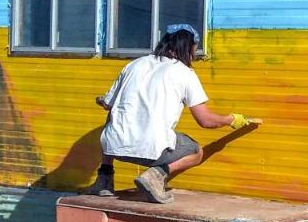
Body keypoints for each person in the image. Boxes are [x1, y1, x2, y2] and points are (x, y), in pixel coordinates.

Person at [87, 23, 253, 203]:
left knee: (114, 116)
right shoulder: (184, 73)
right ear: (189, 46)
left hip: (115, 148)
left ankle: (104, 180)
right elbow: (205, 120)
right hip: (153, 152)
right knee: (196, 151)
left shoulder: (134, 65)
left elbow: (108, 104)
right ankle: (156, 175)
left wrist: (105, 100)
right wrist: (231, 119)